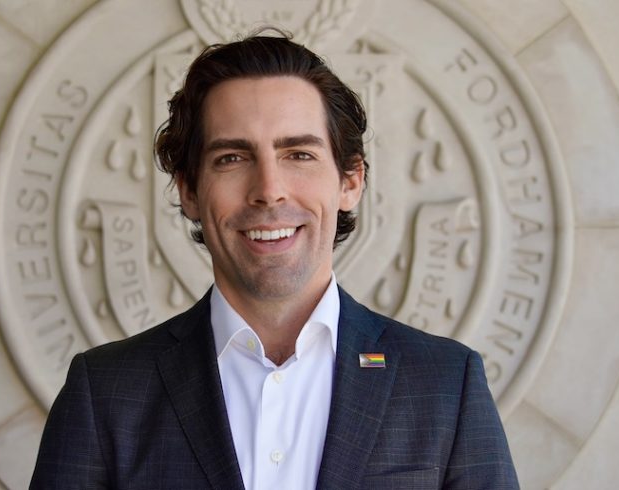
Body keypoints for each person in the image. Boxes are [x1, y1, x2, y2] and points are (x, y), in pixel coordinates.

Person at [30, 30, 519, 490]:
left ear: (350, 181)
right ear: (189, 191)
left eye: (299, 154)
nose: (268, 190)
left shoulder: (446, 385)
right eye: (232, 158)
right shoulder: (105, 394)